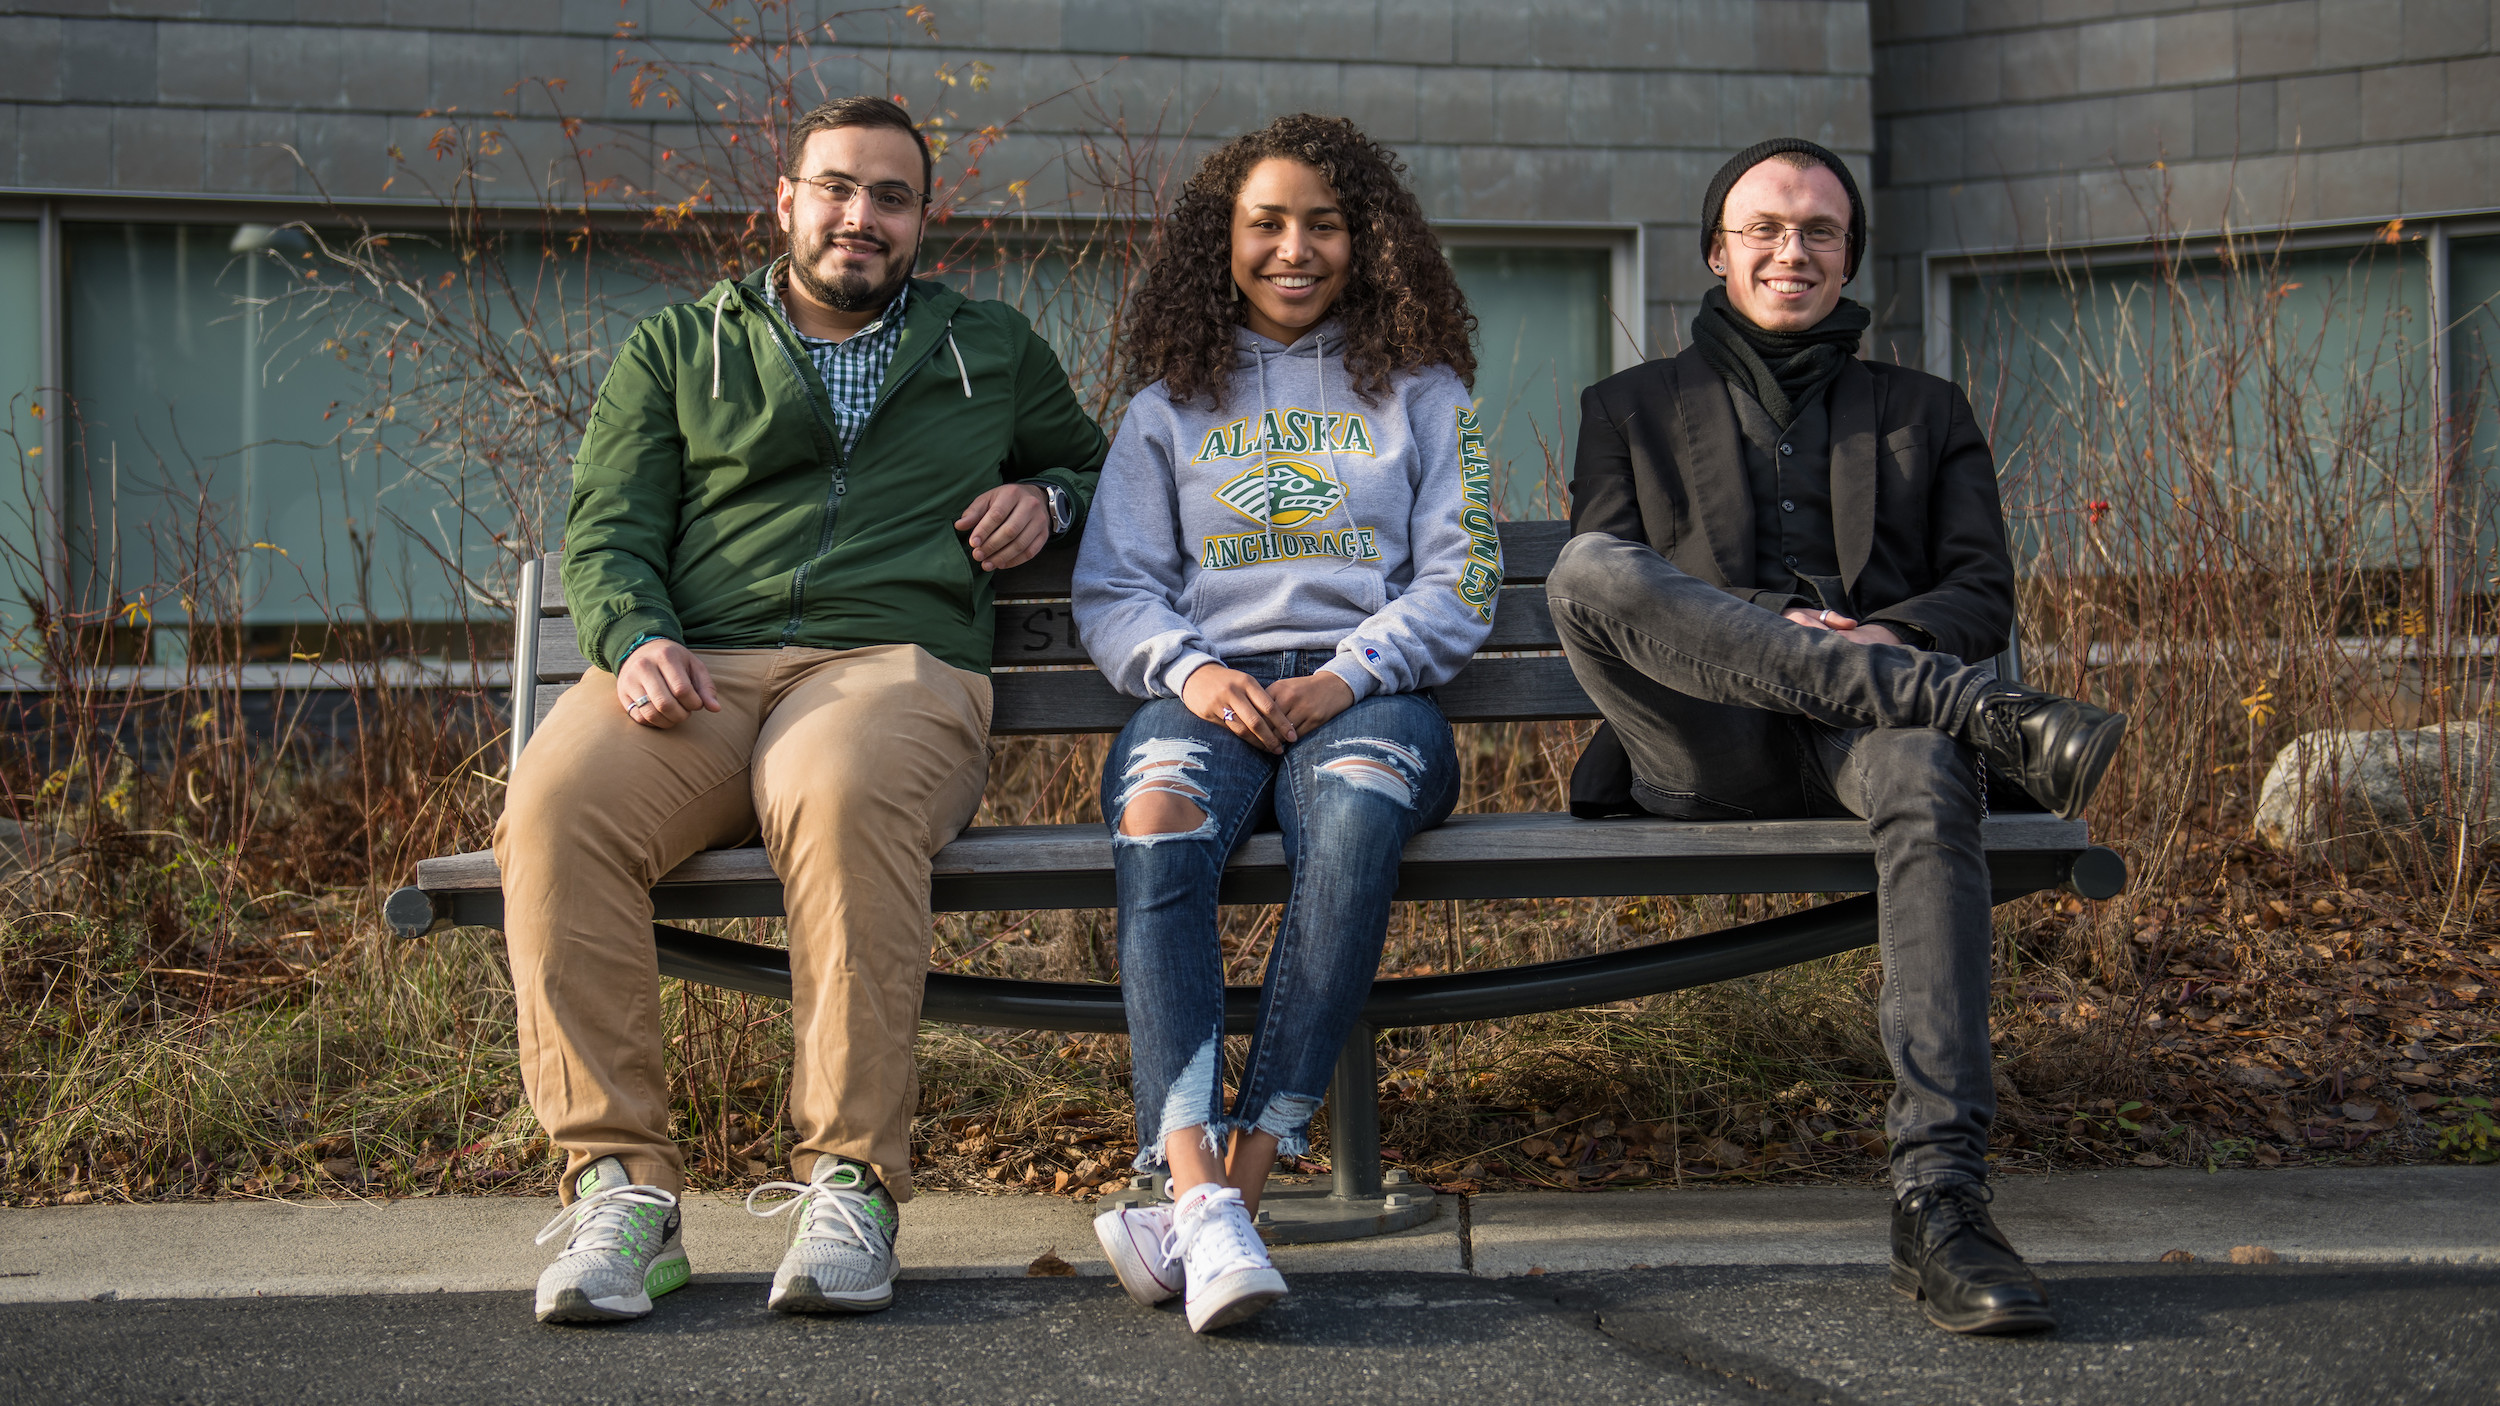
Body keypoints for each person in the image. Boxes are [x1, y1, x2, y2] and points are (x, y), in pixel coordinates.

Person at [500, 96, 1107, 1324]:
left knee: (834, 789)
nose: (860, 217)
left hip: (893, 665)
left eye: (891, 197)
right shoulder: (678, 346)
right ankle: (621, 1187)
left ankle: (849, 1179)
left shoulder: (988, 347)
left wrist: (1050, 493)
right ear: (784, 202)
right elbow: (609, 528)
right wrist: (636, 636)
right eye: (836, 188)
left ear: (923, 221)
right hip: (704, 670)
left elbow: (1104, 463)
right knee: (556, 804)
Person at [1546, 137, 2127, 1336]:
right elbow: (1614, 597)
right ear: (1716, 252)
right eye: (1762, 227)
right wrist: (1787, 626)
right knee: (1591, 565)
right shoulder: (1626, 409)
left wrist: (1869, 645)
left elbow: (1978, 597)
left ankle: (1942, 1198)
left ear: (1848, 252)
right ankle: (1983, 713)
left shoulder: (1926, 410)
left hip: (1865, 744)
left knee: (1922, 761)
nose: (1789, 249)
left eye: (1816, 230)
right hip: (1696, 742)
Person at [1071, 113, 1498, 1333]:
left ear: (1369, 242)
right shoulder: (1166, 405)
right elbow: (1115, 588)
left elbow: (1458, 581)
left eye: (1323, 223)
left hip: (1371, 697)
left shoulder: (1426, 396)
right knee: (1156, 820)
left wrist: (1350, 674)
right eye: (1266, 223)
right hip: (1208, 691)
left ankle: (1237, 1186)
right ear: (1225, 239)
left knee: (1356, 813)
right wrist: (1190, 673)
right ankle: (1197, 1188)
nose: (1294, 248)